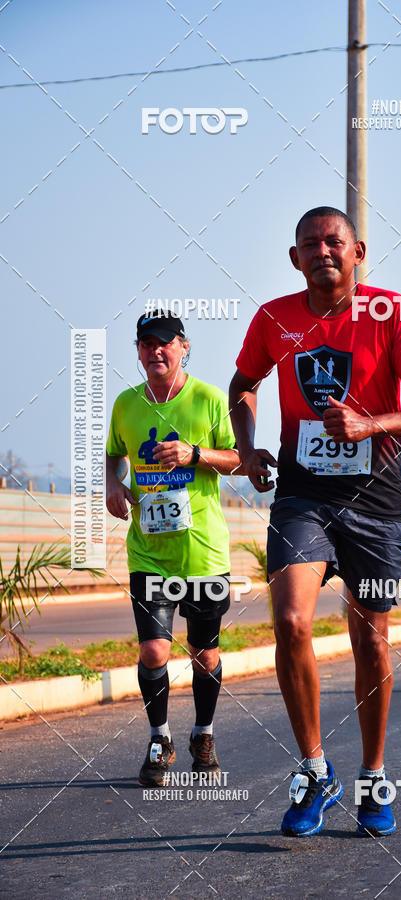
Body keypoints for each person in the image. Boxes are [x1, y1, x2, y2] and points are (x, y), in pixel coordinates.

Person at [229, 206, 401, 837]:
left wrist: (369, 424)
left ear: (358, 252)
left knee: (370, 640)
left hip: (376, 498)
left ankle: (374, 774)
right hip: (302, 495)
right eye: (309, 243)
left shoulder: (392, 311)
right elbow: (241, 387)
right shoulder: (274, 317)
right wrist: (246, 448)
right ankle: (315, 769)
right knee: (293, 620)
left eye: (335, 241)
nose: (322, 250)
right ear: (294, 258)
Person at [106, 310, 240, 786]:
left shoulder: (207, 399)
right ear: (138, 351)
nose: (155, 351)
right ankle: (159, 738)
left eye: (165, 343)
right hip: (148, 551)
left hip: (201, 551)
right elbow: (113, 453)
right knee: (153, 651)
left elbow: (239, 459)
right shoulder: (125, 404)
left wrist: (195, 454)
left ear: (184, 346)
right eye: (147, 344)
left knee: (204, 655)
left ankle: (203, 733)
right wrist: (113, 485)